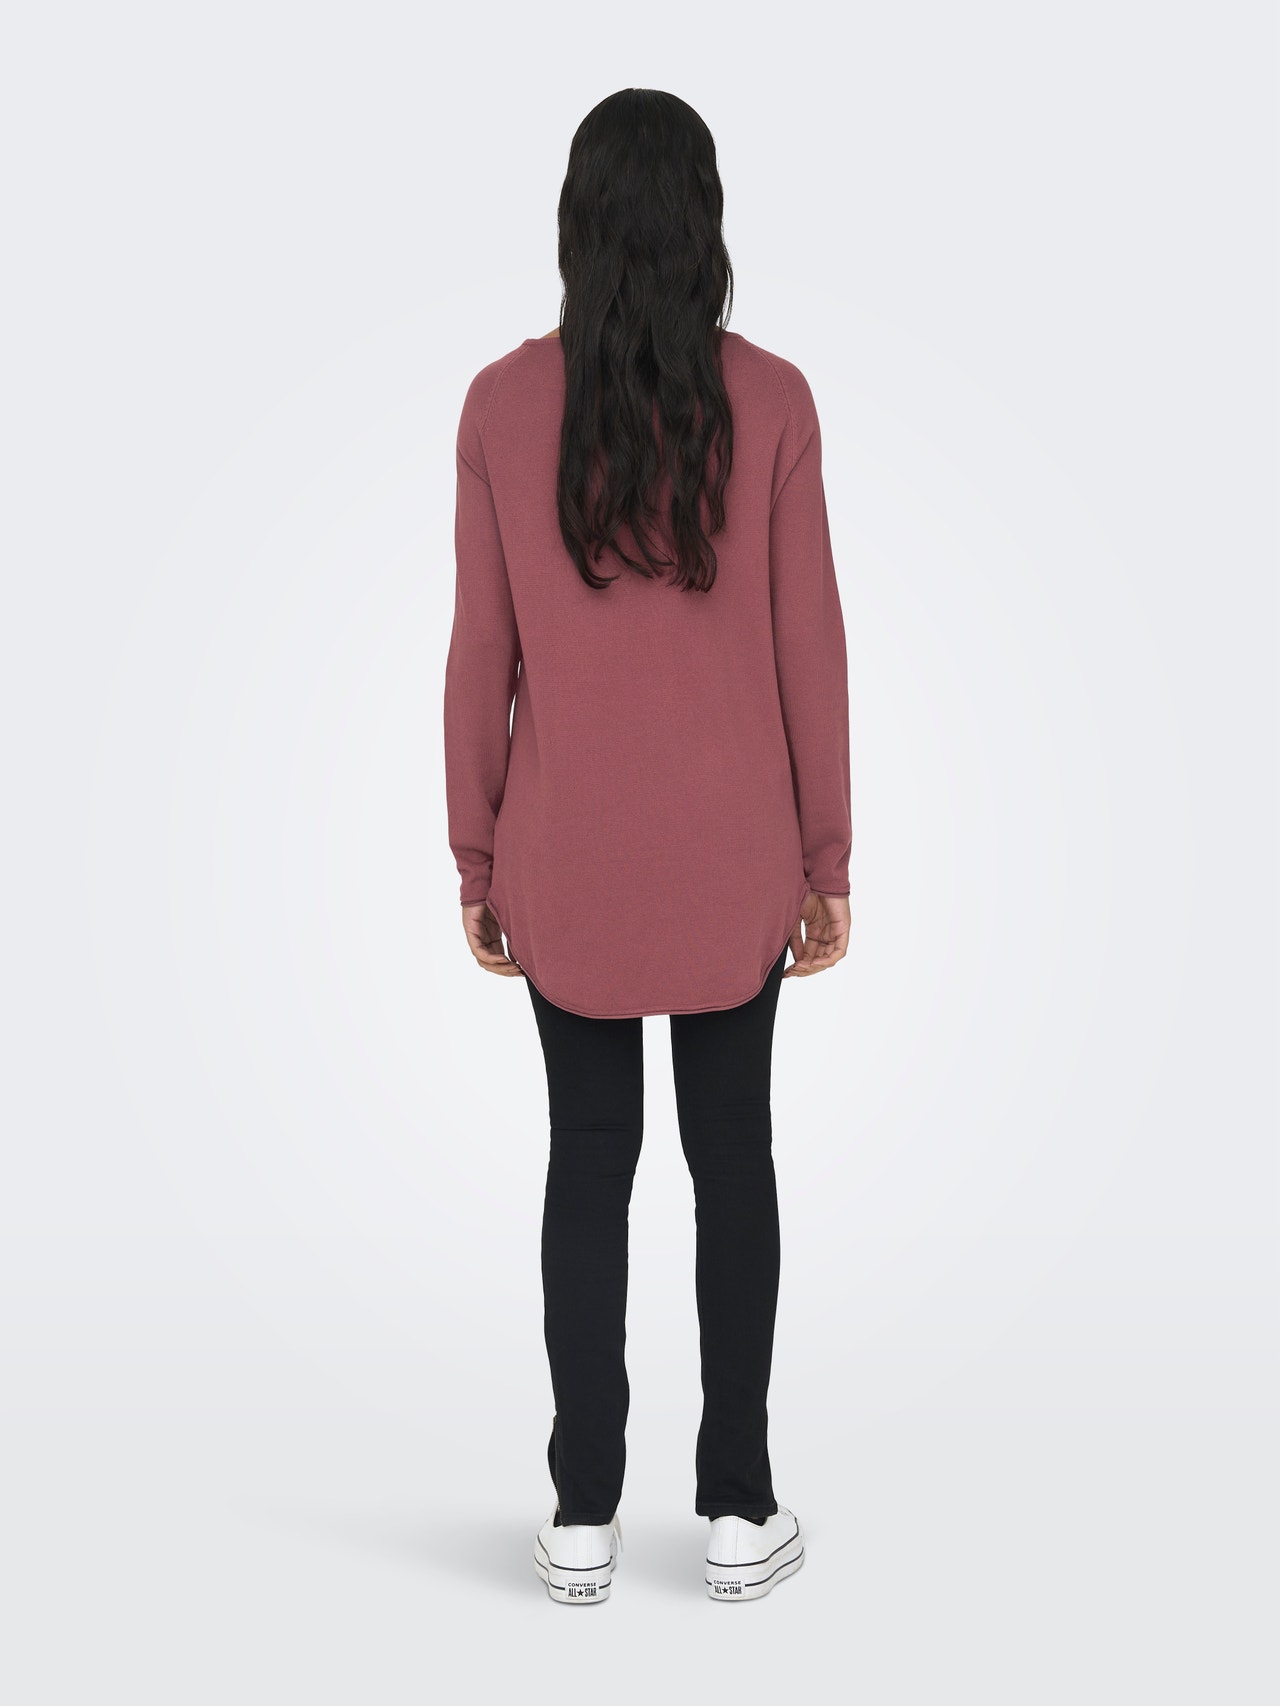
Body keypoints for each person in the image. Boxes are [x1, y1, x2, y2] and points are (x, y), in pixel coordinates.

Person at [443, 87, 851, 1605]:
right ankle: (738, 1509)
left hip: (568, 862)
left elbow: (479, 654)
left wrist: (476, 854)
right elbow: (811, 647)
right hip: (738, 862)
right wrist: (828, 858)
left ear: (577, 225)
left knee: (588, 1164)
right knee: (732, 1159)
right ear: (705, 224)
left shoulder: (501, 406)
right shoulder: (776, 401)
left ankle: (581, 1512)